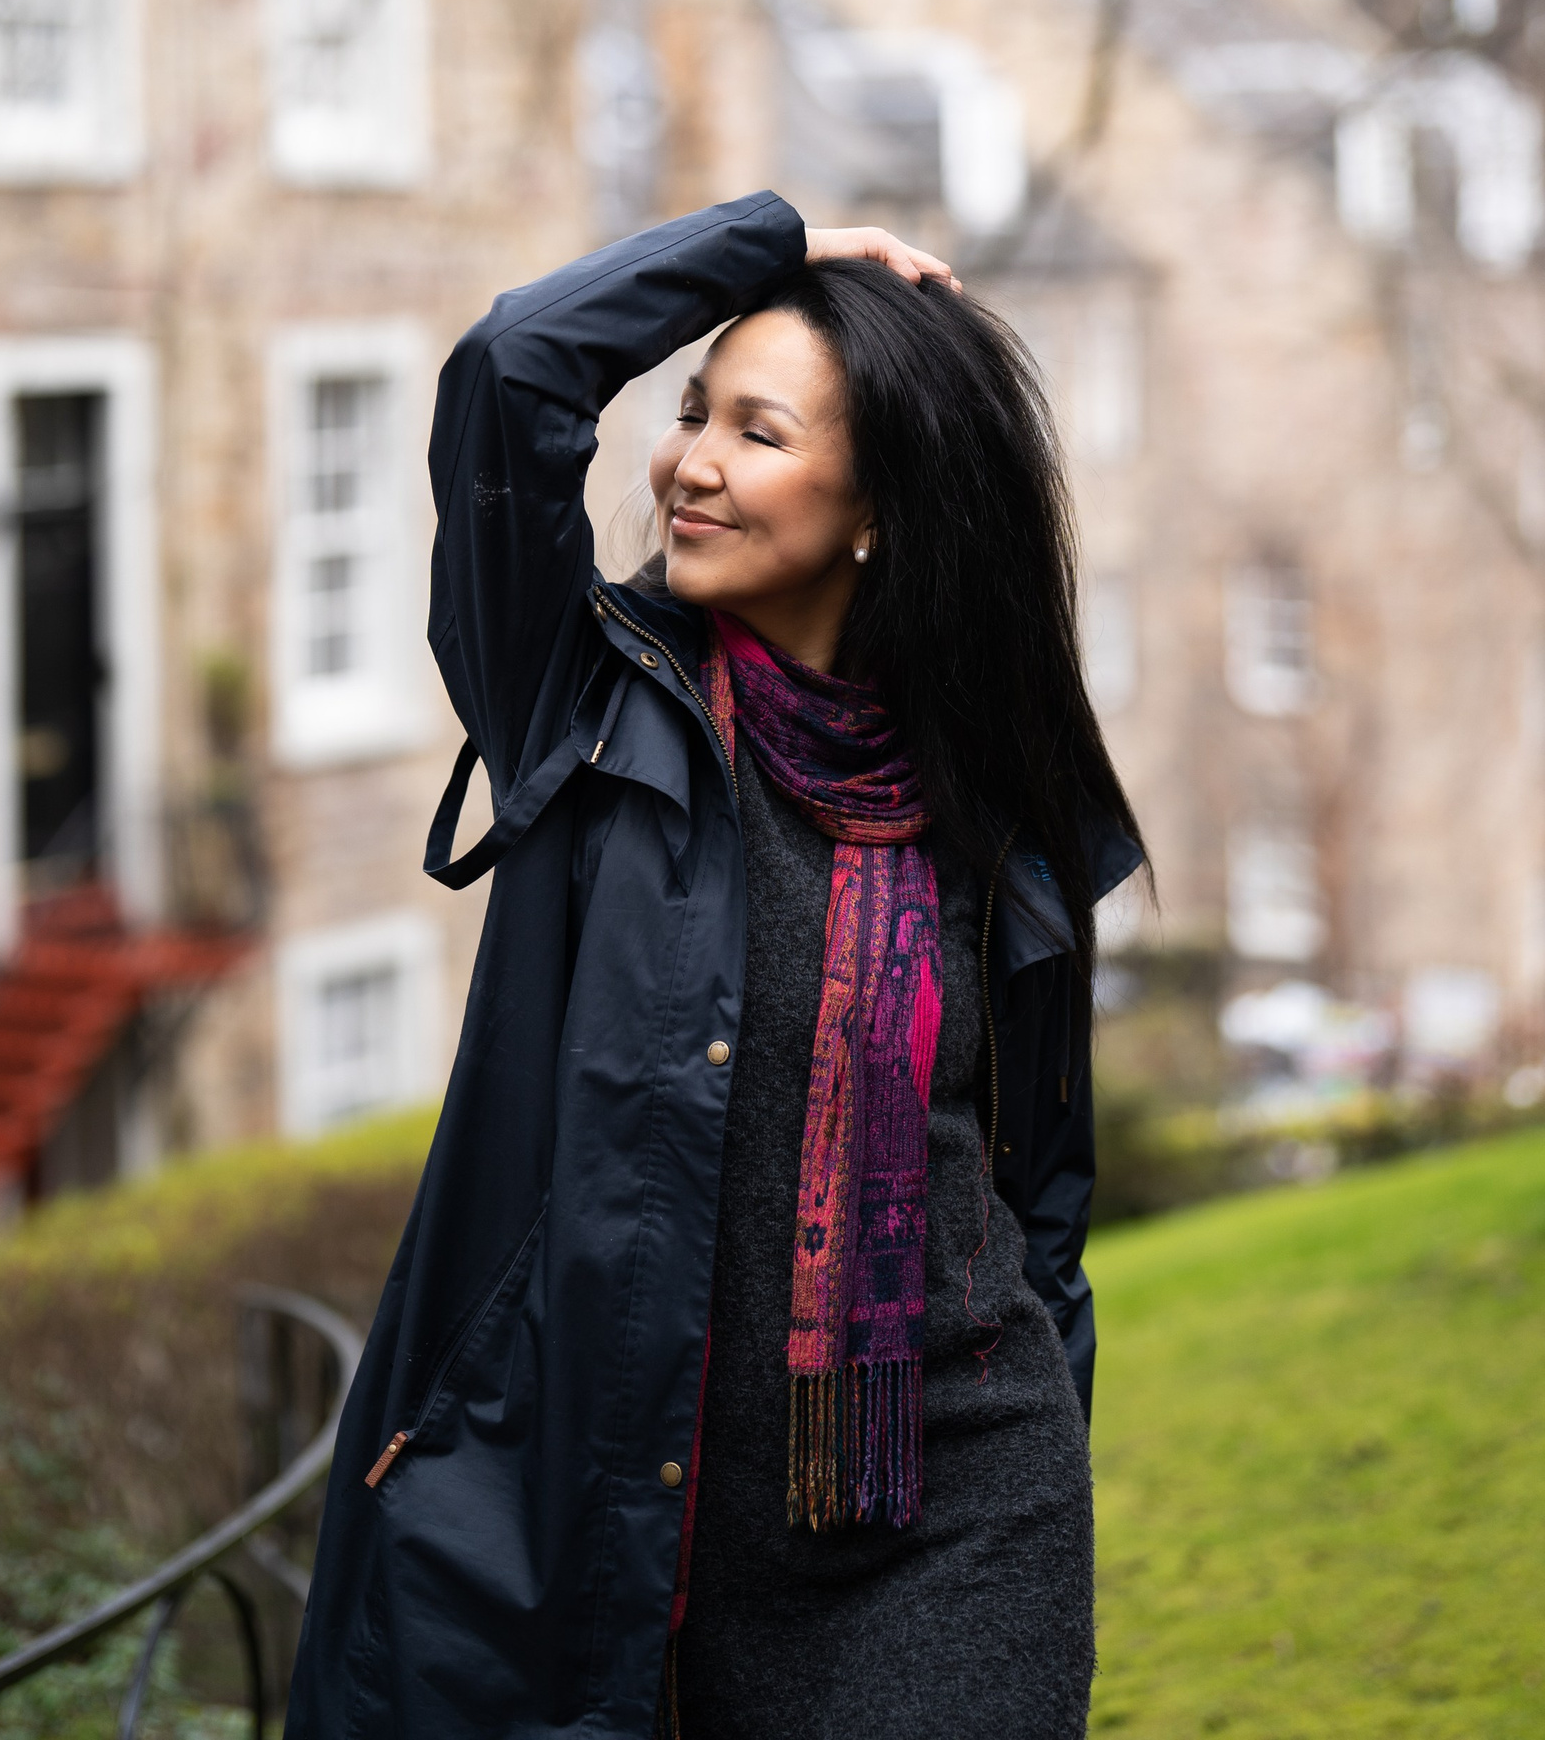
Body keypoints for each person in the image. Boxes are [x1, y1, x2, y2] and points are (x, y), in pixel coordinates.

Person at [285, 191, 1146, 1740]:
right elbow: (512, 369)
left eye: (757, 431)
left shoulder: (996, 788)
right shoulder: (585, 707)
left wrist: (1054, 1416)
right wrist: (774, 240)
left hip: (964, 1513)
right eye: (692, 414)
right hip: (653, 1525)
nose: (689, 462)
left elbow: (1040, 1191)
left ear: (877, 506)